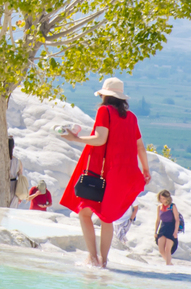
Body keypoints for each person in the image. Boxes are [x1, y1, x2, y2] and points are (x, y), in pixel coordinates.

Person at [59, 77, 150, 268]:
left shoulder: (104, 111)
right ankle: (104, 261)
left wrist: (75, 138)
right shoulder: (131, 117)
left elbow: (100, 139)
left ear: (104, 96)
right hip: (125, 172)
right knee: (107, 217)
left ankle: (92, 257)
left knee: (84, 212)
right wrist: (146, 169)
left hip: (103, 170)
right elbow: (140, 146)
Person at [154, 190, 181, 265]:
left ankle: (168, 265)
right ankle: (169, 263)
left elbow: (177, 220)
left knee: (167, 249)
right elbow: (158, 220)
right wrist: (155, 231)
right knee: (161, 250)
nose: (162, 200)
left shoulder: (173, 206)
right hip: (163, 228)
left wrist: (175, 231)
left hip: (171, 228)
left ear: (167, 198)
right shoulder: (159, 207)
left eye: (163, 198)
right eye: (160, 198)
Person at [8, 136, 26, 208]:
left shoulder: (1, 161)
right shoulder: (17, 161)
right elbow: (20, 176)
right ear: (13, 146)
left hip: (2, 185)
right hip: (14, 187)